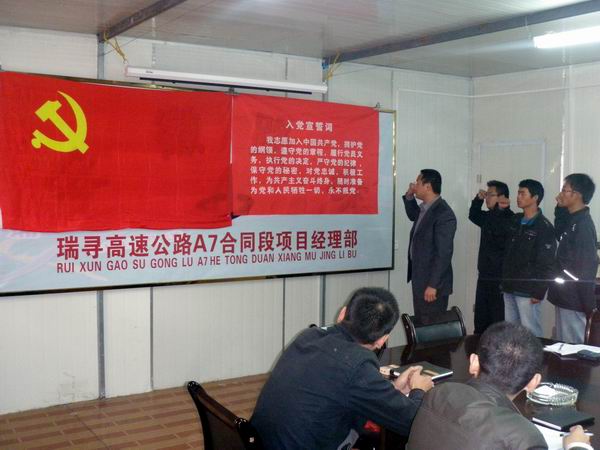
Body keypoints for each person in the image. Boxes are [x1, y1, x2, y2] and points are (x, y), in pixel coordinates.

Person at [250, 287, 434, 450]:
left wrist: (393, 390)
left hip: (259, 443)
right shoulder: (358, 367)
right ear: (382, 340)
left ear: (342, 313)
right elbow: (414, 424)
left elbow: (337, 388)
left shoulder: (309, 336)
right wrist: (419, 390)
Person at [407, 322, 593, 450]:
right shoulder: (523, 436)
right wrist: (578, 446)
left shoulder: (436, 393)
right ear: (533, 382)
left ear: (474, 362)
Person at [502, 179, 556, 337]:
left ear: (535, 198)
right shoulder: (515, 220)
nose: (518, 197)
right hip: (509, 285)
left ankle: (535, 354)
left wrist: (539, 291)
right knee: (510, 330)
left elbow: (546, 262)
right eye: (518, 193)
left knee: (530, 331)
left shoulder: (544, 227)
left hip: (528, 289)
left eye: (522, 193)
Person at [549, 173, 599, 343]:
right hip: (565, 296)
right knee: (563, 346)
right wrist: (559, 208)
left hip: (574, 299)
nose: (560, 194)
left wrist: (588, 306)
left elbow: (586, 269)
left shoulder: (583, 225)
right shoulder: (573, 220)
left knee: (573, 349)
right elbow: (559, 232)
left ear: (577, 194)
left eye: (565, 190)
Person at [403, 169, 457, 320]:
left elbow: (444, 253)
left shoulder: (444, 214)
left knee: (431, 326)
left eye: (418, 182)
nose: (414, 185)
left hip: (432, 285)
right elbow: (412, 215)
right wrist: (409, 196)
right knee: (422, 323)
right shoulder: (425, 208)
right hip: (420, 279)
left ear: (427, 186)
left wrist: (433, 285)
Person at [469, 180, 514, 334]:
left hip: (500, 279)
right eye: (486, 194)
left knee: (497, 322)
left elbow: (498, 227)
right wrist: (478, 200)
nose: (487, 198)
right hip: (484, 276)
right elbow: (473, 215)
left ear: (502, 197)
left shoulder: (510, 218)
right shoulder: (488, 216)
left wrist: (500, 210)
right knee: (480, 321)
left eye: (490, 195)